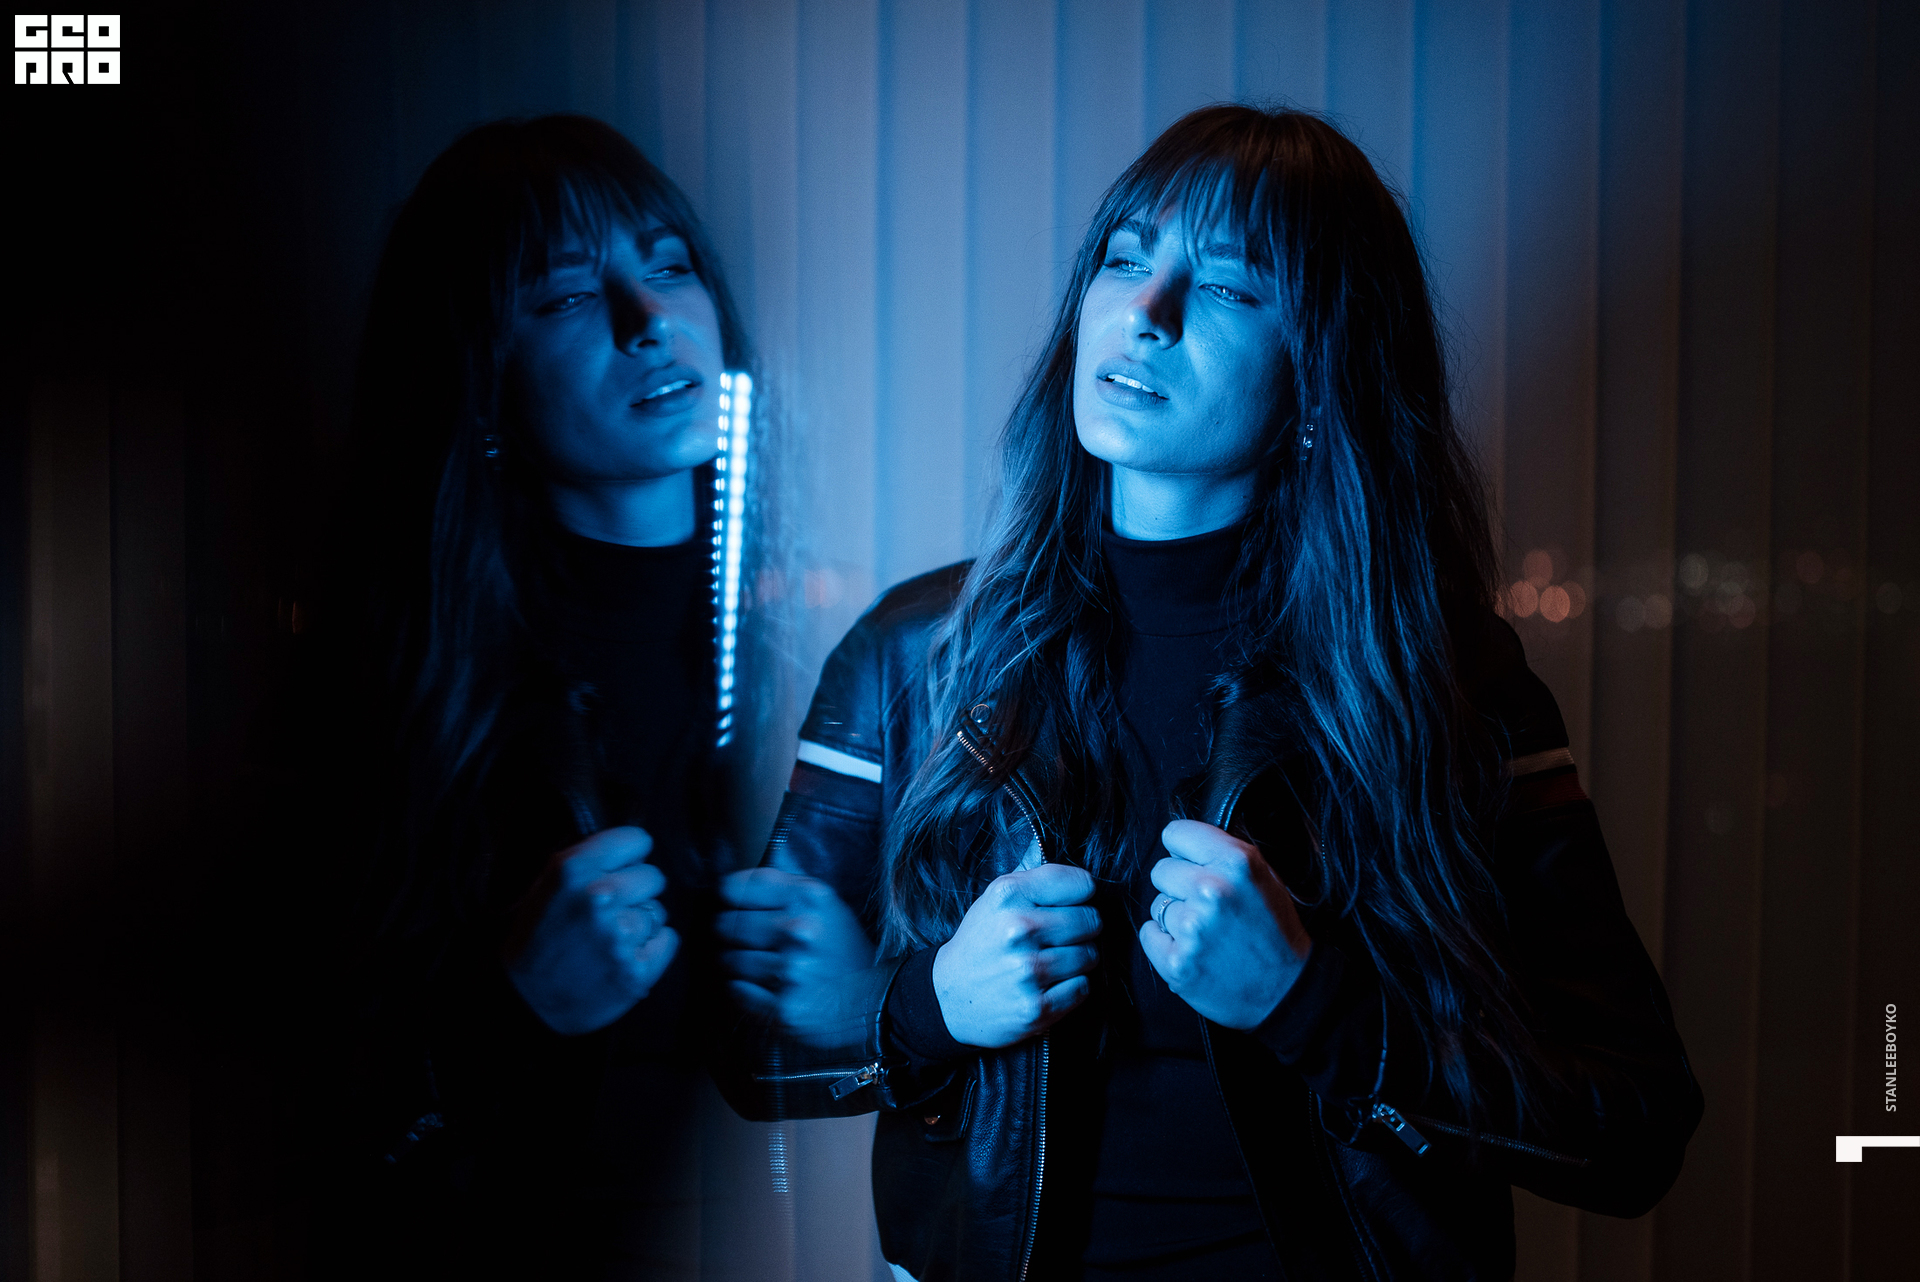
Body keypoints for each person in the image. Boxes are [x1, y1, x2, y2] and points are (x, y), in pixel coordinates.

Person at [713, 105, 1703, 1281]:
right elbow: (752, 1043)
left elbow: (1633, 1128)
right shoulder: (913, 654)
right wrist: (933, 1005)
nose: (1148, 309)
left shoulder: (1446, 681)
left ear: (1322, 369)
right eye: (1125, 258)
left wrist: (1315, 1005)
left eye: (1228, 286)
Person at [287, 114, 756, 1279]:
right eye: (565, 296)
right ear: (481, 376)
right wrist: (509, 1008)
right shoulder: (408, 703)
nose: (649, 322)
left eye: (669, 265)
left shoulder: (822, 652)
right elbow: (300, 1122)